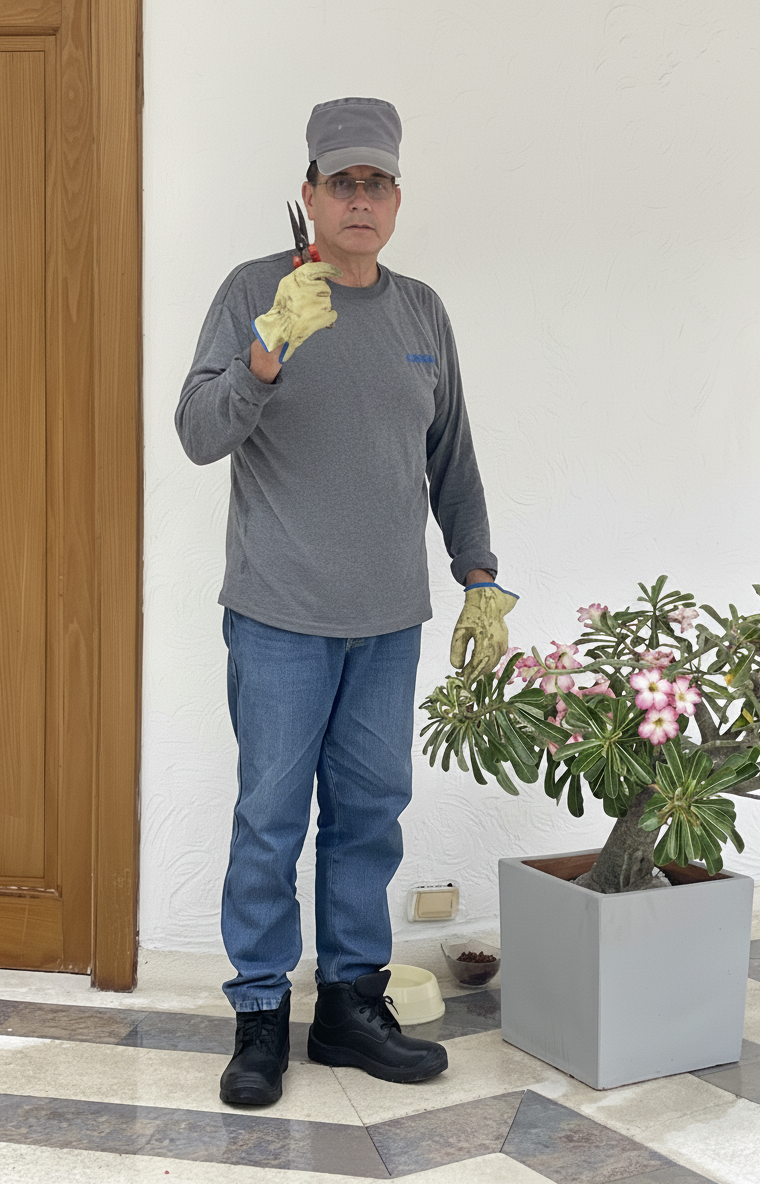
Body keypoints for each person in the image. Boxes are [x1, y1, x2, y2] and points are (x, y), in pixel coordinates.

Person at [175, 96, 518, 1107]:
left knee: (369, 817)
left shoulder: (422, 312)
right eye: (342, 182)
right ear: (311, 193)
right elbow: (197, 433)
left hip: (388, 621)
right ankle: (258, 1015)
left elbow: (451, 454)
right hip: (278, 614)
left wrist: (480, 574)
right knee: (270, 819)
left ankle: (350, 1008)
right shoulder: (256, 290)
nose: (360, 199)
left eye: (378, 183)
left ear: (397, 199)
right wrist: (265, 355)